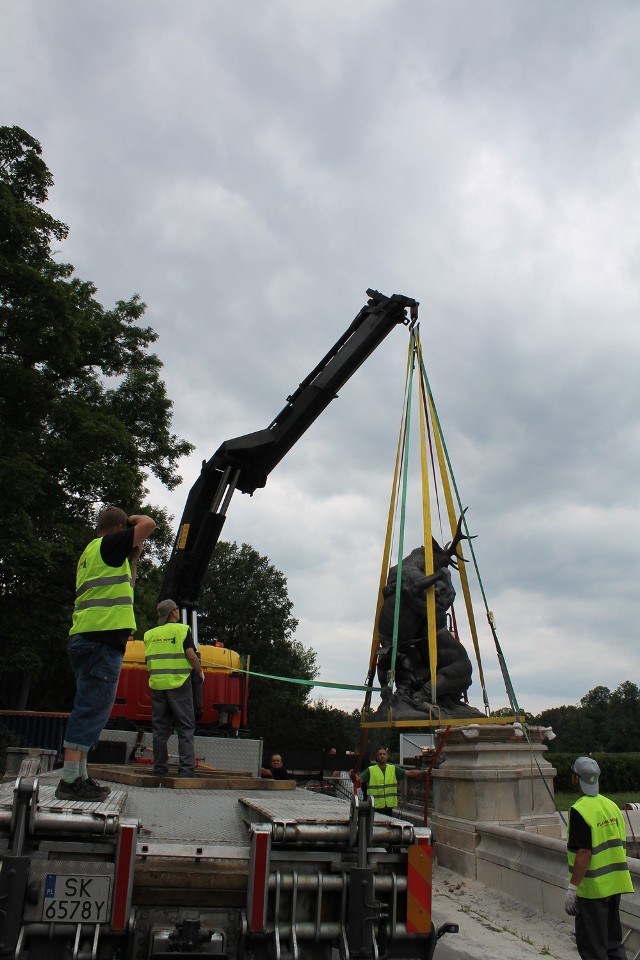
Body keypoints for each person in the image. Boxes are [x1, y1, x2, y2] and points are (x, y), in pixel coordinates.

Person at [56, 506, 156, 801]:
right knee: (91, 709)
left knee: (91, 707)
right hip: (100, 641)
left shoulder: (92, 552)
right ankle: (71, 781)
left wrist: (134, 560)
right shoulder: (109, 543)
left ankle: (80, 776)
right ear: (118, 529)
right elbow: (149, 524)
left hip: (88, 638)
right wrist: (133, 522)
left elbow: (128, 587)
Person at [564, 756, 634, 960]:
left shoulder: (580, 810)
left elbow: (584, 853)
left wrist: (572, 888)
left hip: (593, 890)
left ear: (576, 778)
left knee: (593, 949)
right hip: (614, 885)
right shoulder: (611, 806)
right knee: (613, 944)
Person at [143, 599, 205, 778]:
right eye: (177, 609)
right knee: (185, 728)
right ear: (173, 613)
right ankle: (186, 770)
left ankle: (159, 769)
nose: (178, 611)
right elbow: (191, 656)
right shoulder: (182, 630)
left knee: (160, 729)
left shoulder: (149, 634)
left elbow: (148, 660)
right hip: (179, 683)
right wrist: (200, 673)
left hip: (157, 685)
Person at [352, 747, 427, 813]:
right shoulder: (370, 770)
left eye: (384, 754)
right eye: (380, 754)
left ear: (387, 756)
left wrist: (424, 772)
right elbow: (358, 781)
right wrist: (353, 776)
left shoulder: (393, 769)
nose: (382, 756)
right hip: (374, 807)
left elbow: (409, 773)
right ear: (376, 757)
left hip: (388, 807)